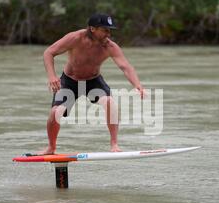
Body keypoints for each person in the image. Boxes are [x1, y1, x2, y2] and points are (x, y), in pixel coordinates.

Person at [38, 13, 145, 155]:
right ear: (93, 29)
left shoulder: (110, 47)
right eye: (105, 30)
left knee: (109, 102)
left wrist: (137, 85)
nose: (108, 34)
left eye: (110, 30)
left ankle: (114, 144)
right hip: (69, 81)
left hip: (93, 81)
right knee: (55, 113)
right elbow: (48, 52)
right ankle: (51, 147)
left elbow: (125, 66)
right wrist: (52, 76)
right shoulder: (75, 38)